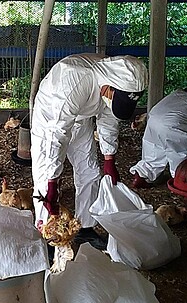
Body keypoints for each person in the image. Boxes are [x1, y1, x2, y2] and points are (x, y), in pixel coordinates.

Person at [31, 53, 148, 249]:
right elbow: (56, 134)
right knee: (45, 180)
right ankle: (47, 239)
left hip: (81, 116)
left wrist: (109, 158)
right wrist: (52, 183)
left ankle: (84, 228)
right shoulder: (75, 79)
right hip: (50, 119)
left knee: (91, 171)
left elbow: (110, 119)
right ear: (109, 87)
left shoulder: (119, 81)